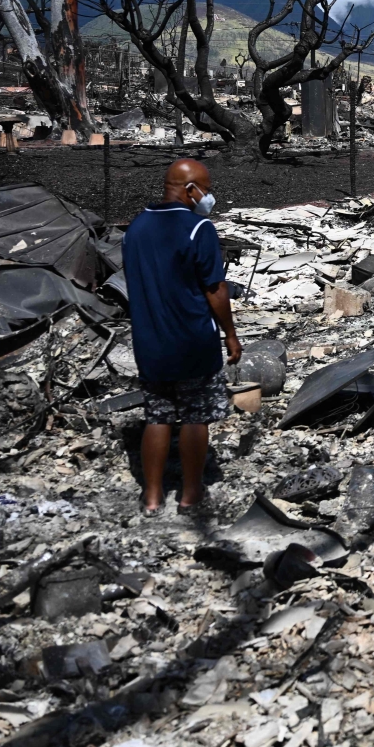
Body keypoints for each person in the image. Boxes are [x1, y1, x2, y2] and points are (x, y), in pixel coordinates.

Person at [122, 159, 242, 514]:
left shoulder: (137, 228)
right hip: (192, 340)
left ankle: (152, 497)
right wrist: (230, 334)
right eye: (206, 188)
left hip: (149, 341)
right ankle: (191, 495)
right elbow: (215, 289)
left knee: (157, 416)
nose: (209, 195)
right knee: (194, 416)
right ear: (191, 190)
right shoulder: (197, 228)